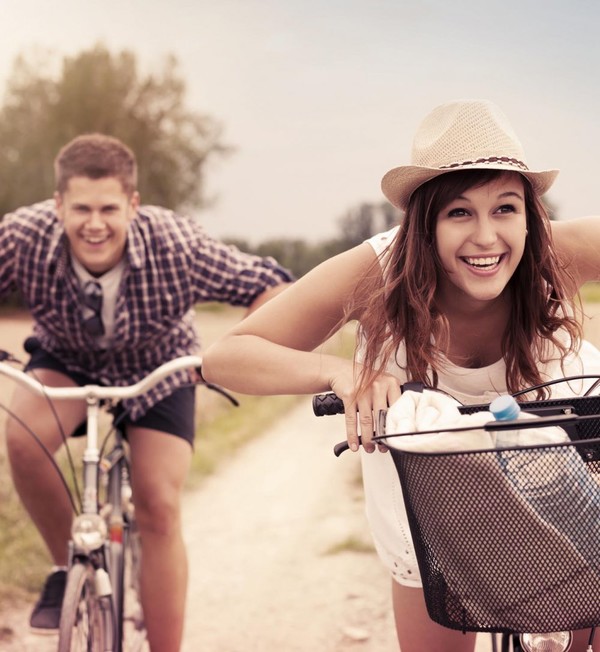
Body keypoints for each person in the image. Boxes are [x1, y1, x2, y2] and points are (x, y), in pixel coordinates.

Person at [202, 99, 600, 651]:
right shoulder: (377, 271)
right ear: (425, 222)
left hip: (561, 477)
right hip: (430, 502)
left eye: (505, 208)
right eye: (459, 212)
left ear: (532, 214)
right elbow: (227, 357)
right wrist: (342, 372)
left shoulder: (557, 252)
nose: (487, 236)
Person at [0, 133, 293, 652]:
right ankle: (66, 567)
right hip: (68, 362)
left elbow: (272, 287)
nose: (95, 224)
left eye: (109, 208)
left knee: (158, 505)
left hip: (160, 370)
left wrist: (228, 354)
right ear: (58, 205)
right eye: (81, 208)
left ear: (133, 205)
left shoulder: (175, 244)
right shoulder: (22, 236)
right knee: (22, 439)